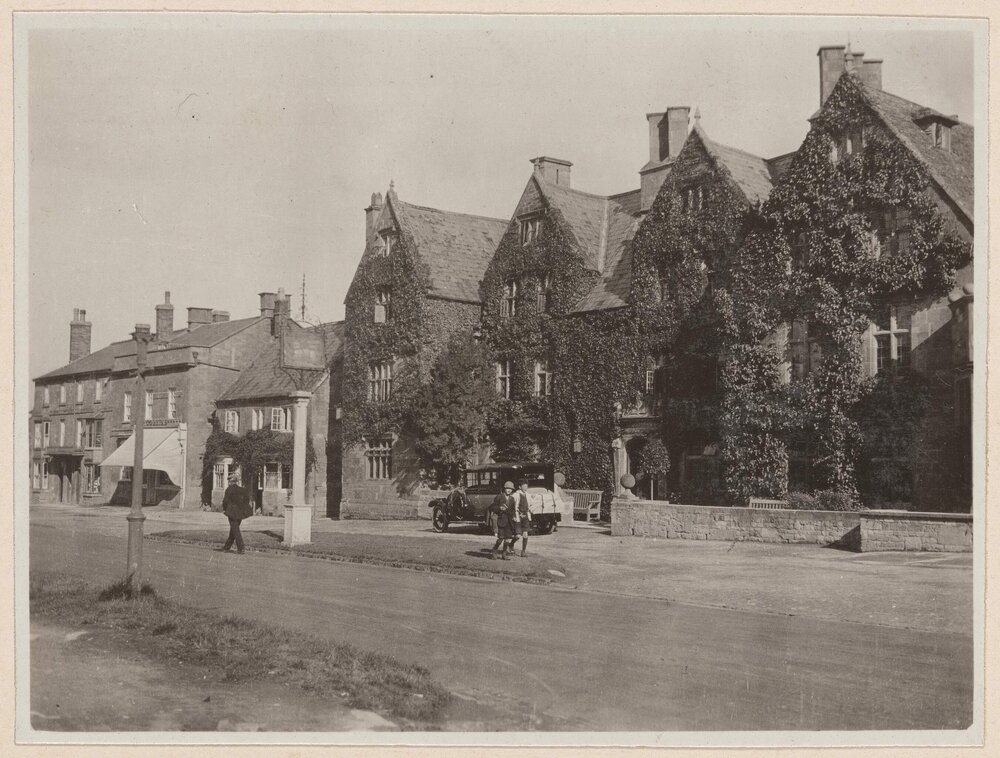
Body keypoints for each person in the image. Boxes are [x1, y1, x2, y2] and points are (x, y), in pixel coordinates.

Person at [219, 471, 252, 554]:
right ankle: (226, 547)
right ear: (236, 481)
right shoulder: (242, 490)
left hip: (232, 512)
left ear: (231, 481)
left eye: (229, 481)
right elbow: (247, 500)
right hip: (240, 512)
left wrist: (224, 509)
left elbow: (225, 501)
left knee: (235, 530)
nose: (229, 482)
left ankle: (241, 548)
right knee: (234, 529)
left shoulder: (229, 489)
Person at [488, 481, 517, 560]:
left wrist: (513, 516)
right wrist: (500, 508)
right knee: (500, 538)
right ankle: (494, 550)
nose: (509, 490)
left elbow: (513, 510)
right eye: (507, 488)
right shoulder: (499, 497)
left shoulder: (512, 499)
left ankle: (504, 554)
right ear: (504, 488)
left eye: (511, 489)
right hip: (501, 520)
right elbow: (492, 507)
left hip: (509, 522)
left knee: (507, 539)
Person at [508, 479, 532, 557]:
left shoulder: (528, 495)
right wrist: (514, 514)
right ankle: (511, 544)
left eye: (526, 486)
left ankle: (523, 552)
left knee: (525, 534)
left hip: (525, 516)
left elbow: (531, 504)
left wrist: (530, 510)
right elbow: (510, 505)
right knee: (518, 535)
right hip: (518, 516)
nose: (526, 487)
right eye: (524, 486)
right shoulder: (516, 495)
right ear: (519, 487)